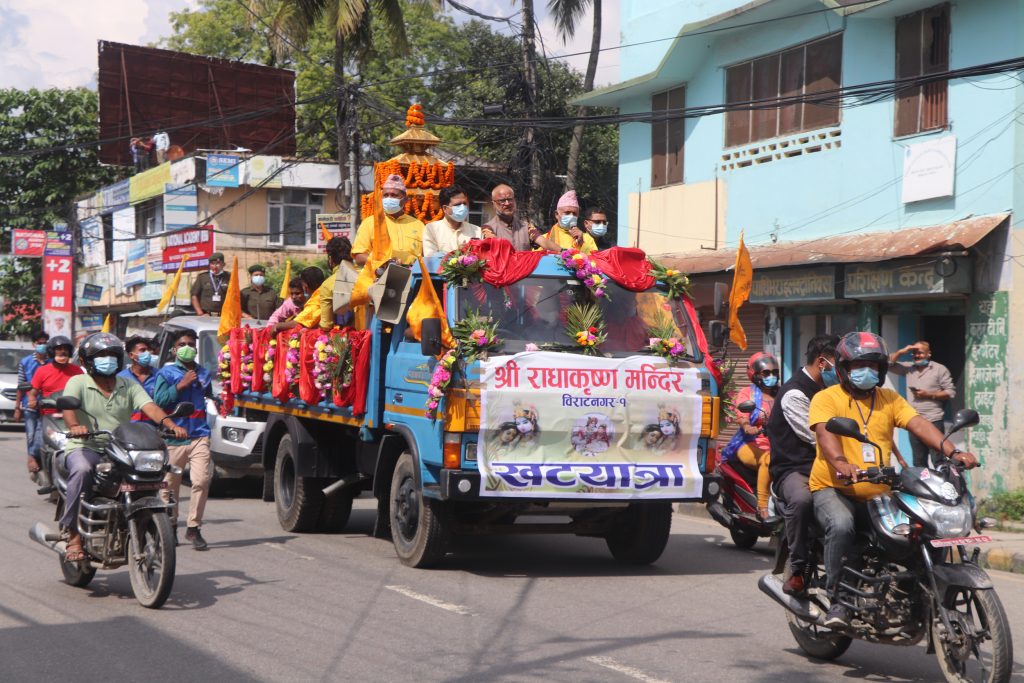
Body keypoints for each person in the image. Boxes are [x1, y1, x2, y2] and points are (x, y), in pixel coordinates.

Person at [808, 332, 978, 627]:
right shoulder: (826, 397)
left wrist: (953, 451)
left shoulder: (889, 398)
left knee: (917, 531)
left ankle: (912, 595)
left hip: (879, 490)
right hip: (834, 488)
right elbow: (826, 433)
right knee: (842, 524)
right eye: (859, 365)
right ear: (844, 369)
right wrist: (840, 463)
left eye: (873, 366)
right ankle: (838, 601)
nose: (867, 371)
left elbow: (919, 424)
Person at [59, 333, 186, 563]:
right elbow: (68, 409)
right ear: (87, 361)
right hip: (85, 445)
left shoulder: (128, 385)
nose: (107, 359)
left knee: (146, 476)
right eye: (100, 356)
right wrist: (75, 426)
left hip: (119, 449)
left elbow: (149, 406)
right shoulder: (77, 382)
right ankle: (74, 535)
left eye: (111, 355)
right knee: (82, 470)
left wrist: (170, 424)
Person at [765, 335, 839, 596]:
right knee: (802, 499)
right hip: (796, 469)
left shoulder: (832, 392)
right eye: (839, 363)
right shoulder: (795, 393)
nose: (844, 370)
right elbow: (815, 436)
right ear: (822, 363)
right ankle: (797, 568)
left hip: (831, 463)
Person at [154, 330, 214, 550]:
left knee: (201, 481)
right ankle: (169, 526)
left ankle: (194, 527)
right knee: (169, 487)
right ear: (174, 349)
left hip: (199, 435)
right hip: (173, 437)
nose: (186, 347)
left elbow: (208, 395)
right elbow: (159, 400)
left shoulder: (204, 373)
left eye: (190, 344)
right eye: (182, 344)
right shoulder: (166, 373)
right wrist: (181, 385)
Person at [888, 340, 956, 467]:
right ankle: (924, 486)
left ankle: (942, 485)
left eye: (920, 353)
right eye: (914, 353)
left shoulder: (939, 369)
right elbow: (888, 364)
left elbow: (950, 392)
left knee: (939, 460)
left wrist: (929, 394)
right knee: (919, 461)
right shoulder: (908, 368)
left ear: (928, 354)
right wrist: (902, 351)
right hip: (914, 421)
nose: (917, 355)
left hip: (933, 420)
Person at [732, 353, 779, 520]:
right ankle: (763, 506)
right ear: (755, 374)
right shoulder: (747, 394)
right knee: (768, 459)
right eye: (766, 373)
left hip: (778, 443)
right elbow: (742, 417)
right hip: (750, 444)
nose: (771, 377)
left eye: (774, 372)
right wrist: (748, 427)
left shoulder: (781, 393)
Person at [352, 174, 424, 266]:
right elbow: (359, 256)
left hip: (413, 276)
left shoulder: (418, 225)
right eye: (385, 195)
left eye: (394, 195)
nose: (389, 198)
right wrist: (383, 263)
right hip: (379, 277)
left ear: (405, 199)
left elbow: (427, 256)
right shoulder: (370, 223)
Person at [293, 238, 357, 331]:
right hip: (373, 334)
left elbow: (326, 325)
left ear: (330, 259)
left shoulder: (328, 285)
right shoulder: (365, 276)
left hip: (347, 339)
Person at [15, 331, 49, 475]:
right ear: (34, 344)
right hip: (30, 405)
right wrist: (17, 407)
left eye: (44, 343)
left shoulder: (53, 362)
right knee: (31, 434)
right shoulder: (26, 362)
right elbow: (21, 385)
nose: (42, 346)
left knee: (44, 434)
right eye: (39, 343)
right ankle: (31, 458)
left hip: (49, 405)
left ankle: (43, 459)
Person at [481, 184, 544, 251]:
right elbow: (498, 249)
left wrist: (556, 250)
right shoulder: (488, 229)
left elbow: (543, 241)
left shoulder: (526, 227)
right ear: (493, 204)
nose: (507, 203)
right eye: (502, 201)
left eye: (510, 199)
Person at [422, 185, 481, 256]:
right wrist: (456, 254)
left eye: (465, 203)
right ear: (445, 208)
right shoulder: (432, 229)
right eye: (458, 204)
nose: (463, 207)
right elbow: (431, 259)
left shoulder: (477, 231)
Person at [272, 267, 327, 334]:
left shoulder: (317, 299)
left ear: (305, 285)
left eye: (297, 293)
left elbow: (298, 323)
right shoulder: (325, 291)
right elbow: (277, 315)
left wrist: (277, 326)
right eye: (291, 294)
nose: (294, 297)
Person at [191, 252, 230, 316]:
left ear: (223, 264)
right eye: (212, 264)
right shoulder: (202, 277)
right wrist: (200, 313)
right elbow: (194, 296)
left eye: (217, 263)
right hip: (205, 315)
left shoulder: (229, 277)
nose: (215, 266)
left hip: (224, 316)